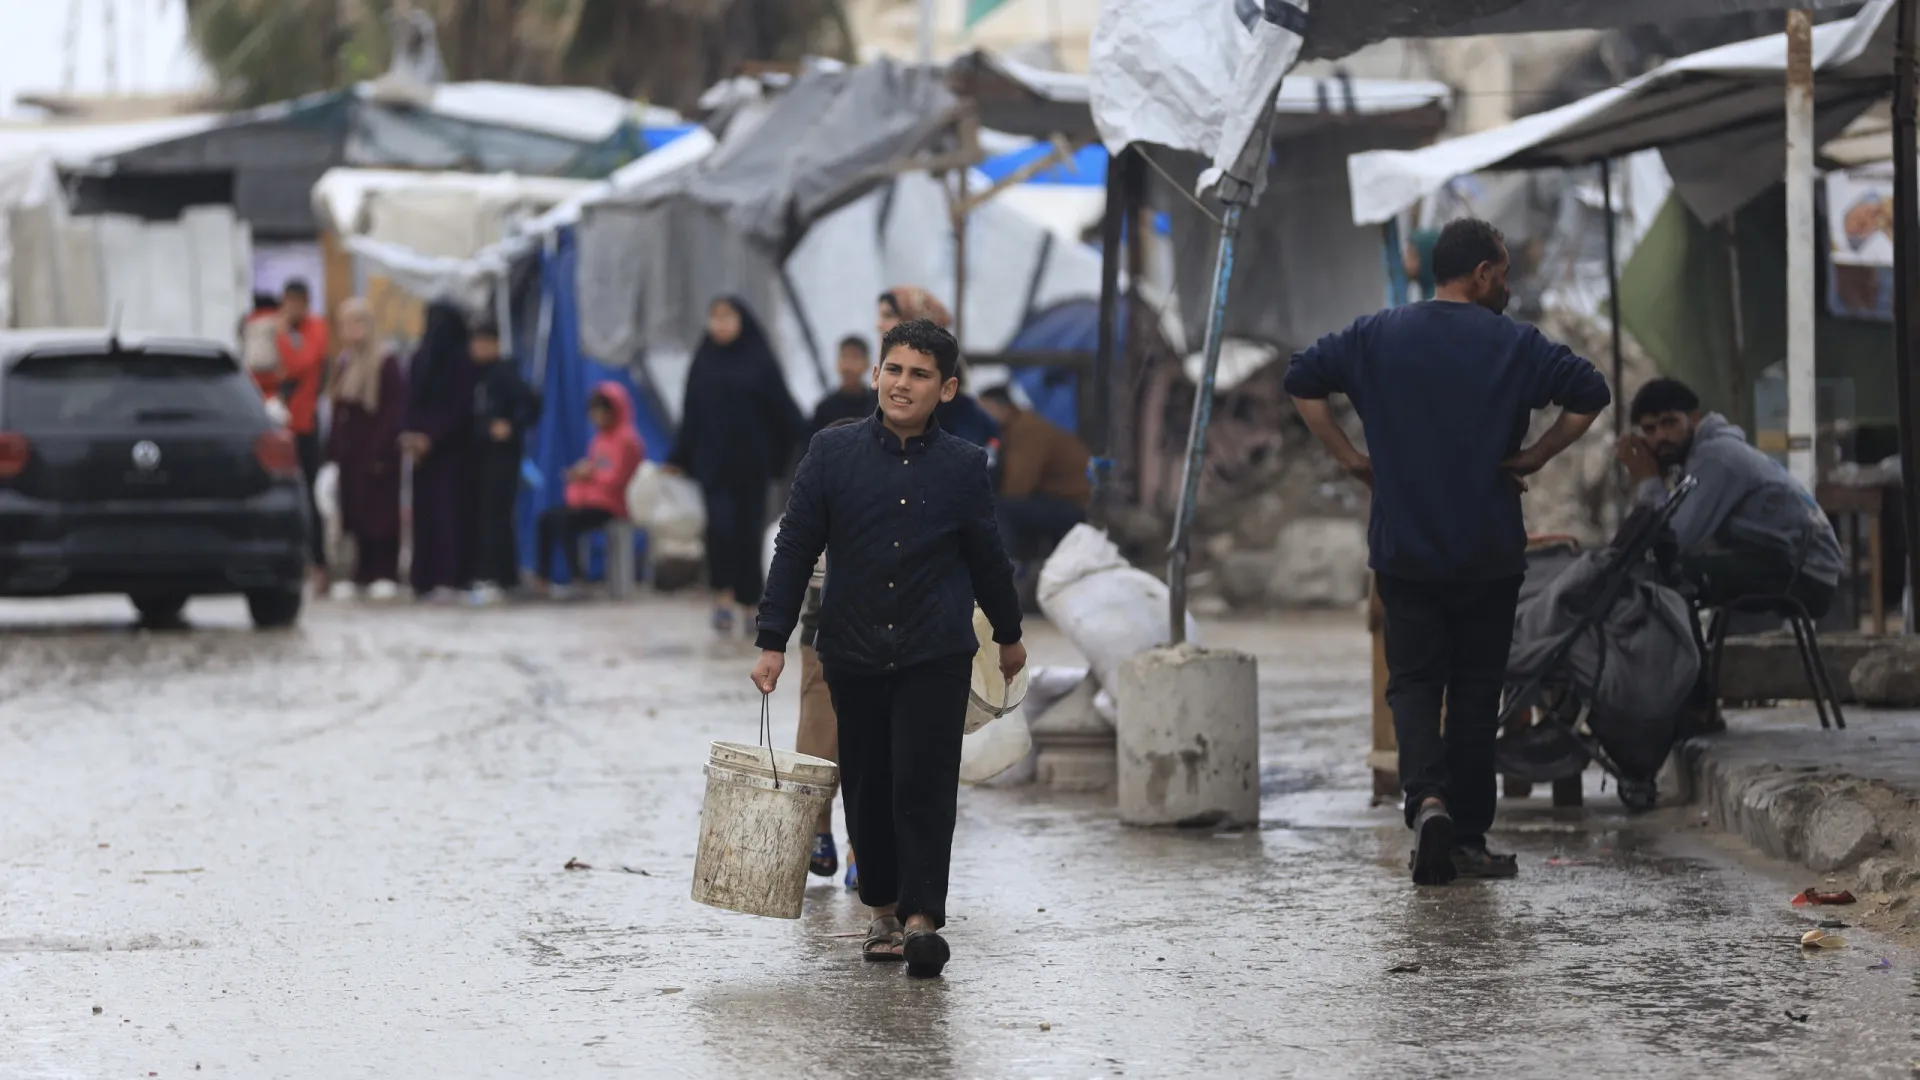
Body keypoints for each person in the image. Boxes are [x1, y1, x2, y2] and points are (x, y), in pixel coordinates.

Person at [1284, 218, 1609, 887]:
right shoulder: (1516, 345)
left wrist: (1351, 460)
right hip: (1488, 548)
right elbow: (1590, 395)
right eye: (1506, 272)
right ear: (1483, 273)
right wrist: (1535, 455)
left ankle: (1425, 800)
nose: (1509, 286)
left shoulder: (1376, 335)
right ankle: (1466, 837)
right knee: (1473, 691)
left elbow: (1302, 380)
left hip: (1405, 548)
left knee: (1412, 683)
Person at [753, 317, 1025, 979]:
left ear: (948, 389)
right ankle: (881, 911)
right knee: (869, 785)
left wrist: (1010, 633)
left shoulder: (963, 467)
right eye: (894, 370)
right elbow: (795, 547)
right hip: (852, 647)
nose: (903, 384)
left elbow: (987, 555)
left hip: (936, 648)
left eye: (920, 375)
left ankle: (922, 919)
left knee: (924, 784)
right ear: (877, 375)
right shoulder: (831, 453)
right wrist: (772, 640)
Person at [1618, 378, 1842, 615]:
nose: (1661, 437)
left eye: (1669, 423)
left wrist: (1648, 479)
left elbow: (1675, 541)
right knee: (1659, 571)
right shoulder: (1702, 457)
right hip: (1787, 563)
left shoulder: (1716, 457)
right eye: (1649, 429)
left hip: (1805, 575)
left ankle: (1672, 652)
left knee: (1659, 575)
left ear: (1694, 418)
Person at [668, 296, 804, 638]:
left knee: (747, 534)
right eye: (714, 317)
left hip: (752, 468)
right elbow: (691, 415)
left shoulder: (759, 361)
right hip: (713, 467)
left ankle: (749, 605)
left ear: (742, 320)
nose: (720, 324)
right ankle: (722, 600)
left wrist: (804, 442)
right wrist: (678, 458)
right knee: (720, 531)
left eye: (727, 317)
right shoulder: (703, 362)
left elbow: (782, 410)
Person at [795, 415, 869, 892]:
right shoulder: (814, 501)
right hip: (822, 632)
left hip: (886, 635)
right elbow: (792, 567)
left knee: (874, 744)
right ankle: (819, 830)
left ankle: (862, 849)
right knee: (820, 733)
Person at [324, 299, 406, 601]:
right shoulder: (345, 362)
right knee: (354, 512)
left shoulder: (385, 361)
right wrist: (332, 449)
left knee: (380, 512)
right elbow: (339, 406)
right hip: (351, 453)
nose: (350, 331)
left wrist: (381, 448)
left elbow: (394, 410)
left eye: (356, 323)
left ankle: (384, 571)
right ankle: (359, 571)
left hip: (379, 451)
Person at [530, 384, 644, 597]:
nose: (597, 416)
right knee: (546, 519)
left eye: (602, 411)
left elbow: (617, 478)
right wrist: (580, 476)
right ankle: (542, 579)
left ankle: (578, 578)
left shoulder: (627, 440)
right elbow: (597, 468)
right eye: (594, 411)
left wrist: (589, 474)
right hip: (591, 501)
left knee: (566, 522)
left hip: (613, 505)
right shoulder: (599, 439)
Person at [401, 302, 480, 601]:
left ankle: (446, 576)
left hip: (450, 453)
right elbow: (410, 401)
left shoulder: (456, 362)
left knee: (447, 514)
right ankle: (430, 577)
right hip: (431, 452)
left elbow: (459, 407)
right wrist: (415, 437)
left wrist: (426, 437)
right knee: (431, 515)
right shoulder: (427, 359)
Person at [469, 320, 543, 604]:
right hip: (480, 454)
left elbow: (533, 402)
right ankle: (496, 574)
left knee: (496, 514)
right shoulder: (476, 375)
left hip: (502, 456)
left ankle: (498, 576)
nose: (478, 349)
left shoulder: (505, 372)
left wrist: (511, 425)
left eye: (484, 343)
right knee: (484, 513)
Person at [977, 386, 1090, 568]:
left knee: (1000, 509)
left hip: (1072, 504)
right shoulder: (1013, 430)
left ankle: (1013, 566)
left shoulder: (1027, 430)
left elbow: (1018, 487)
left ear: (1003, 408)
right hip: (1054, 499)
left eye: (985, 410)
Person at [877, 287, 997, 447]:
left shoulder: (960, 413)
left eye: (888, 315)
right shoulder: (881, 398)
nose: (878, 325)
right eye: (893, 370)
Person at [274, 279, 331, 591]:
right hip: (277, 425)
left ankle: (318, 563)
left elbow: (300, 363)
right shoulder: (274, 326)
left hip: (304, 425)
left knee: (309, 496)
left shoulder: (315, 328)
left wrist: (283, 335)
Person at [810, 336, 878, 435]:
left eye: (855, 357)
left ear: (867, 363)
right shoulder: (825, 409)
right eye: (844, 356)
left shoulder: (877, 405)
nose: (848, 365)